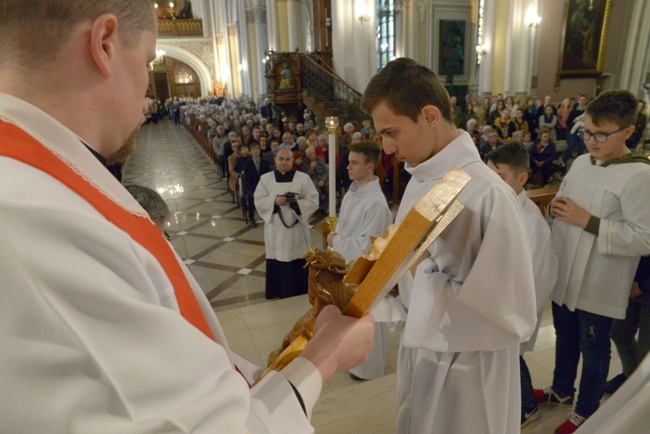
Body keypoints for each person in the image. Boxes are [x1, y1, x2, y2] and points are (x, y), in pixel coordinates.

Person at [0, 2, 375, 433]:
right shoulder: (36, 217)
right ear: (103, 45)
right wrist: (323, 356)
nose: (146, 93)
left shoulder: (47, 185)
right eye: (146, 61)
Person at [361, 57, 536, 434]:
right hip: (424, 355)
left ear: (429, 115)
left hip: (470, 375)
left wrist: (419, 271)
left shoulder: (489, 195)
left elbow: (512, 315)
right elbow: (410, 277)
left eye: (391, 132)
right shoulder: (421, 180)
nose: (387, 148)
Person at [536, 90, 650, 433]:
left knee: (594, 346)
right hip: (566, 269)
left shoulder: (640, 175)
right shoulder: (582, 162)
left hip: (600, 280)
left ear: (627, 132)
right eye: (586, 132)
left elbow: (644, 237)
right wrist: (555, 207)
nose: (591, 141)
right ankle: (561, 390)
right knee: (564, 335)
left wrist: (590, 221)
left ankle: (586, 410)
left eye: (601, 134)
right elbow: (567, 204)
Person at [486, 144, 559, 428]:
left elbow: (539, 278)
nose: (493, 182)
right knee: (503, 361)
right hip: (492, 303)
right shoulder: (495, 203)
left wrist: (514, 315)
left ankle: (526, 406)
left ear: (522, 179)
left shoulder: (532, 224)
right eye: (490, 174)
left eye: (500, 176)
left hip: (513, 310)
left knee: (511, 359)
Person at [327, 140, 393, 381]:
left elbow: (369, 247)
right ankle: (351, 360)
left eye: (354, 163)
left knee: (365, 318)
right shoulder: (353, 193)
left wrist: (337, 243)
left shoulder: (375, 203)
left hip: (363, 273)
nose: (348, 167)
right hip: (345, 267)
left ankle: (368, 368)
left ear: (370, 166)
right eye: (348, 162)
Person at [254, 149, 319, 299]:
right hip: (275, 228)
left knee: (297, 255)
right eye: (281, 159)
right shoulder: (266, 179)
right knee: (278, 257)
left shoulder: (303, 178)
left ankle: (300, 290)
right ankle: (278, 291)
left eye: (287, 159)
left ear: (293, 161)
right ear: (275, 160)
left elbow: (313, 200)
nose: (283, 162)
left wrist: (296, 204)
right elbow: (258, 200)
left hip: (297, 229)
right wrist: (274, 201)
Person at [605, 255, 650, 394]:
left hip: (643, 286)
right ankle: (632, 377)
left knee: (646, 348)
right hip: (632, 282)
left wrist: (643, 286)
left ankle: (644, 389)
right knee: (619, 333)